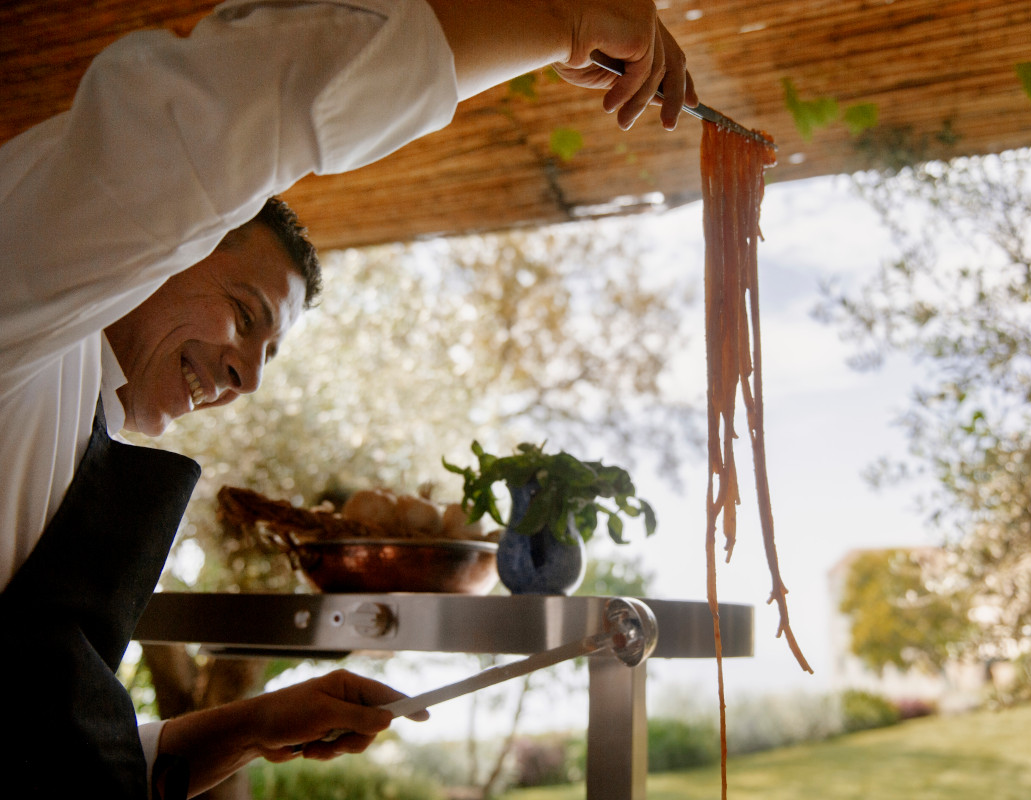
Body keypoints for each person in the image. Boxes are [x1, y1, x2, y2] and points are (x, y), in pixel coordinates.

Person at [0, 0, 697, 797]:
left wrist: (253, 726)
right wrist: (559, 18)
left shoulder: (76, 420)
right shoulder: (18, 306)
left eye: (267, 354)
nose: (248, 379)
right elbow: (215, 123)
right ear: (174, 244)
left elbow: (40, 750)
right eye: (245, 315)